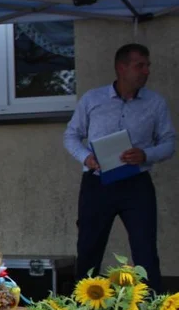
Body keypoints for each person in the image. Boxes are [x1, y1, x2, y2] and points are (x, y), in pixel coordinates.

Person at [63, 43, 175, 296]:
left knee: (145, 250)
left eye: (148, 66)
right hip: (97, 183)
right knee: (89, 248)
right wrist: (86, 158)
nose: (146, 71)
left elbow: (169, 143)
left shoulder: (155, 103)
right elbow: (71, 135)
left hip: (136, 183)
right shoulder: (93, 99)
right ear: (121, 68)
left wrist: (146, 154)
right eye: (140, 66)